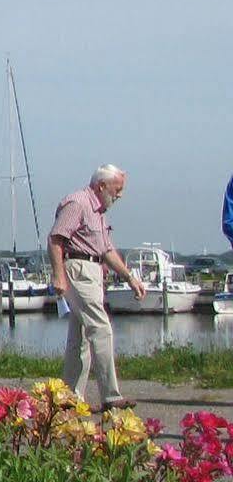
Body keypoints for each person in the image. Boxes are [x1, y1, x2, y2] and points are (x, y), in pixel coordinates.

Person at [47, 165, 144, 411]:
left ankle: (68, 397)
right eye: (117, 189)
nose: (119, 195)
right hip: (77, 269)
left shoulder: (98, 212)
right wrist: (59, 275)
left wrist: (129, 277)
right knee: (101, 329)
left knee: (79, 338)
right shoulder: (78, 203)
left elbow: (107, 250)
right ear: (102, 185)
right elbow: (56, 239)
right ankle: (111, 396)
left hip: (92, 270)